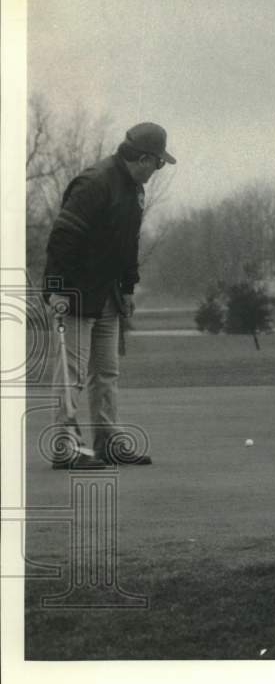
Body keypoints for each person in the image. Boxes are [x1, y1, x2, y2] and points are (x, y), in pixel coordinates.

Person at [44, 122, 176, 469]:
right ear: (144, 159)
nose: (157, 170)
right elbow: (62, 237)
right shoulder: (95, 182)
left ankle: (108, 443)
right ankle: (65, 447)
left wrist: (128, 288)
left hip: (108, 294)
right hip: (76, 291)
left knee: (106, 372)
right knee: (72, 372)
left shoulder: (134, 190)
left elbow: (128, 244)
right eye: (158, 163)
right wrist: (55, 289)